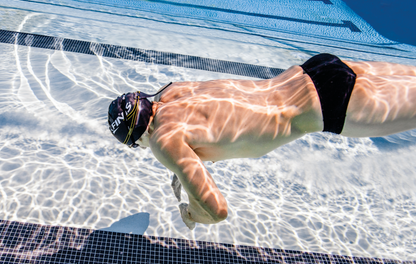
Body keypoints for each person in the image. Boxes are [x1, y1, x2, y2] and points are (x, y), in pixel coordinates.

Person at [108, 53, 416, 230]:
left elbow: (217, 210)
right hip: (314, 71)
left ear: (137, 138)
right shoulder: (173, 92)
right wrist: (182, 169)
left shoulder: (163, 141)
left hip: (331, 105)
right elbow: (208, 120)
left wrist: (192, 212)